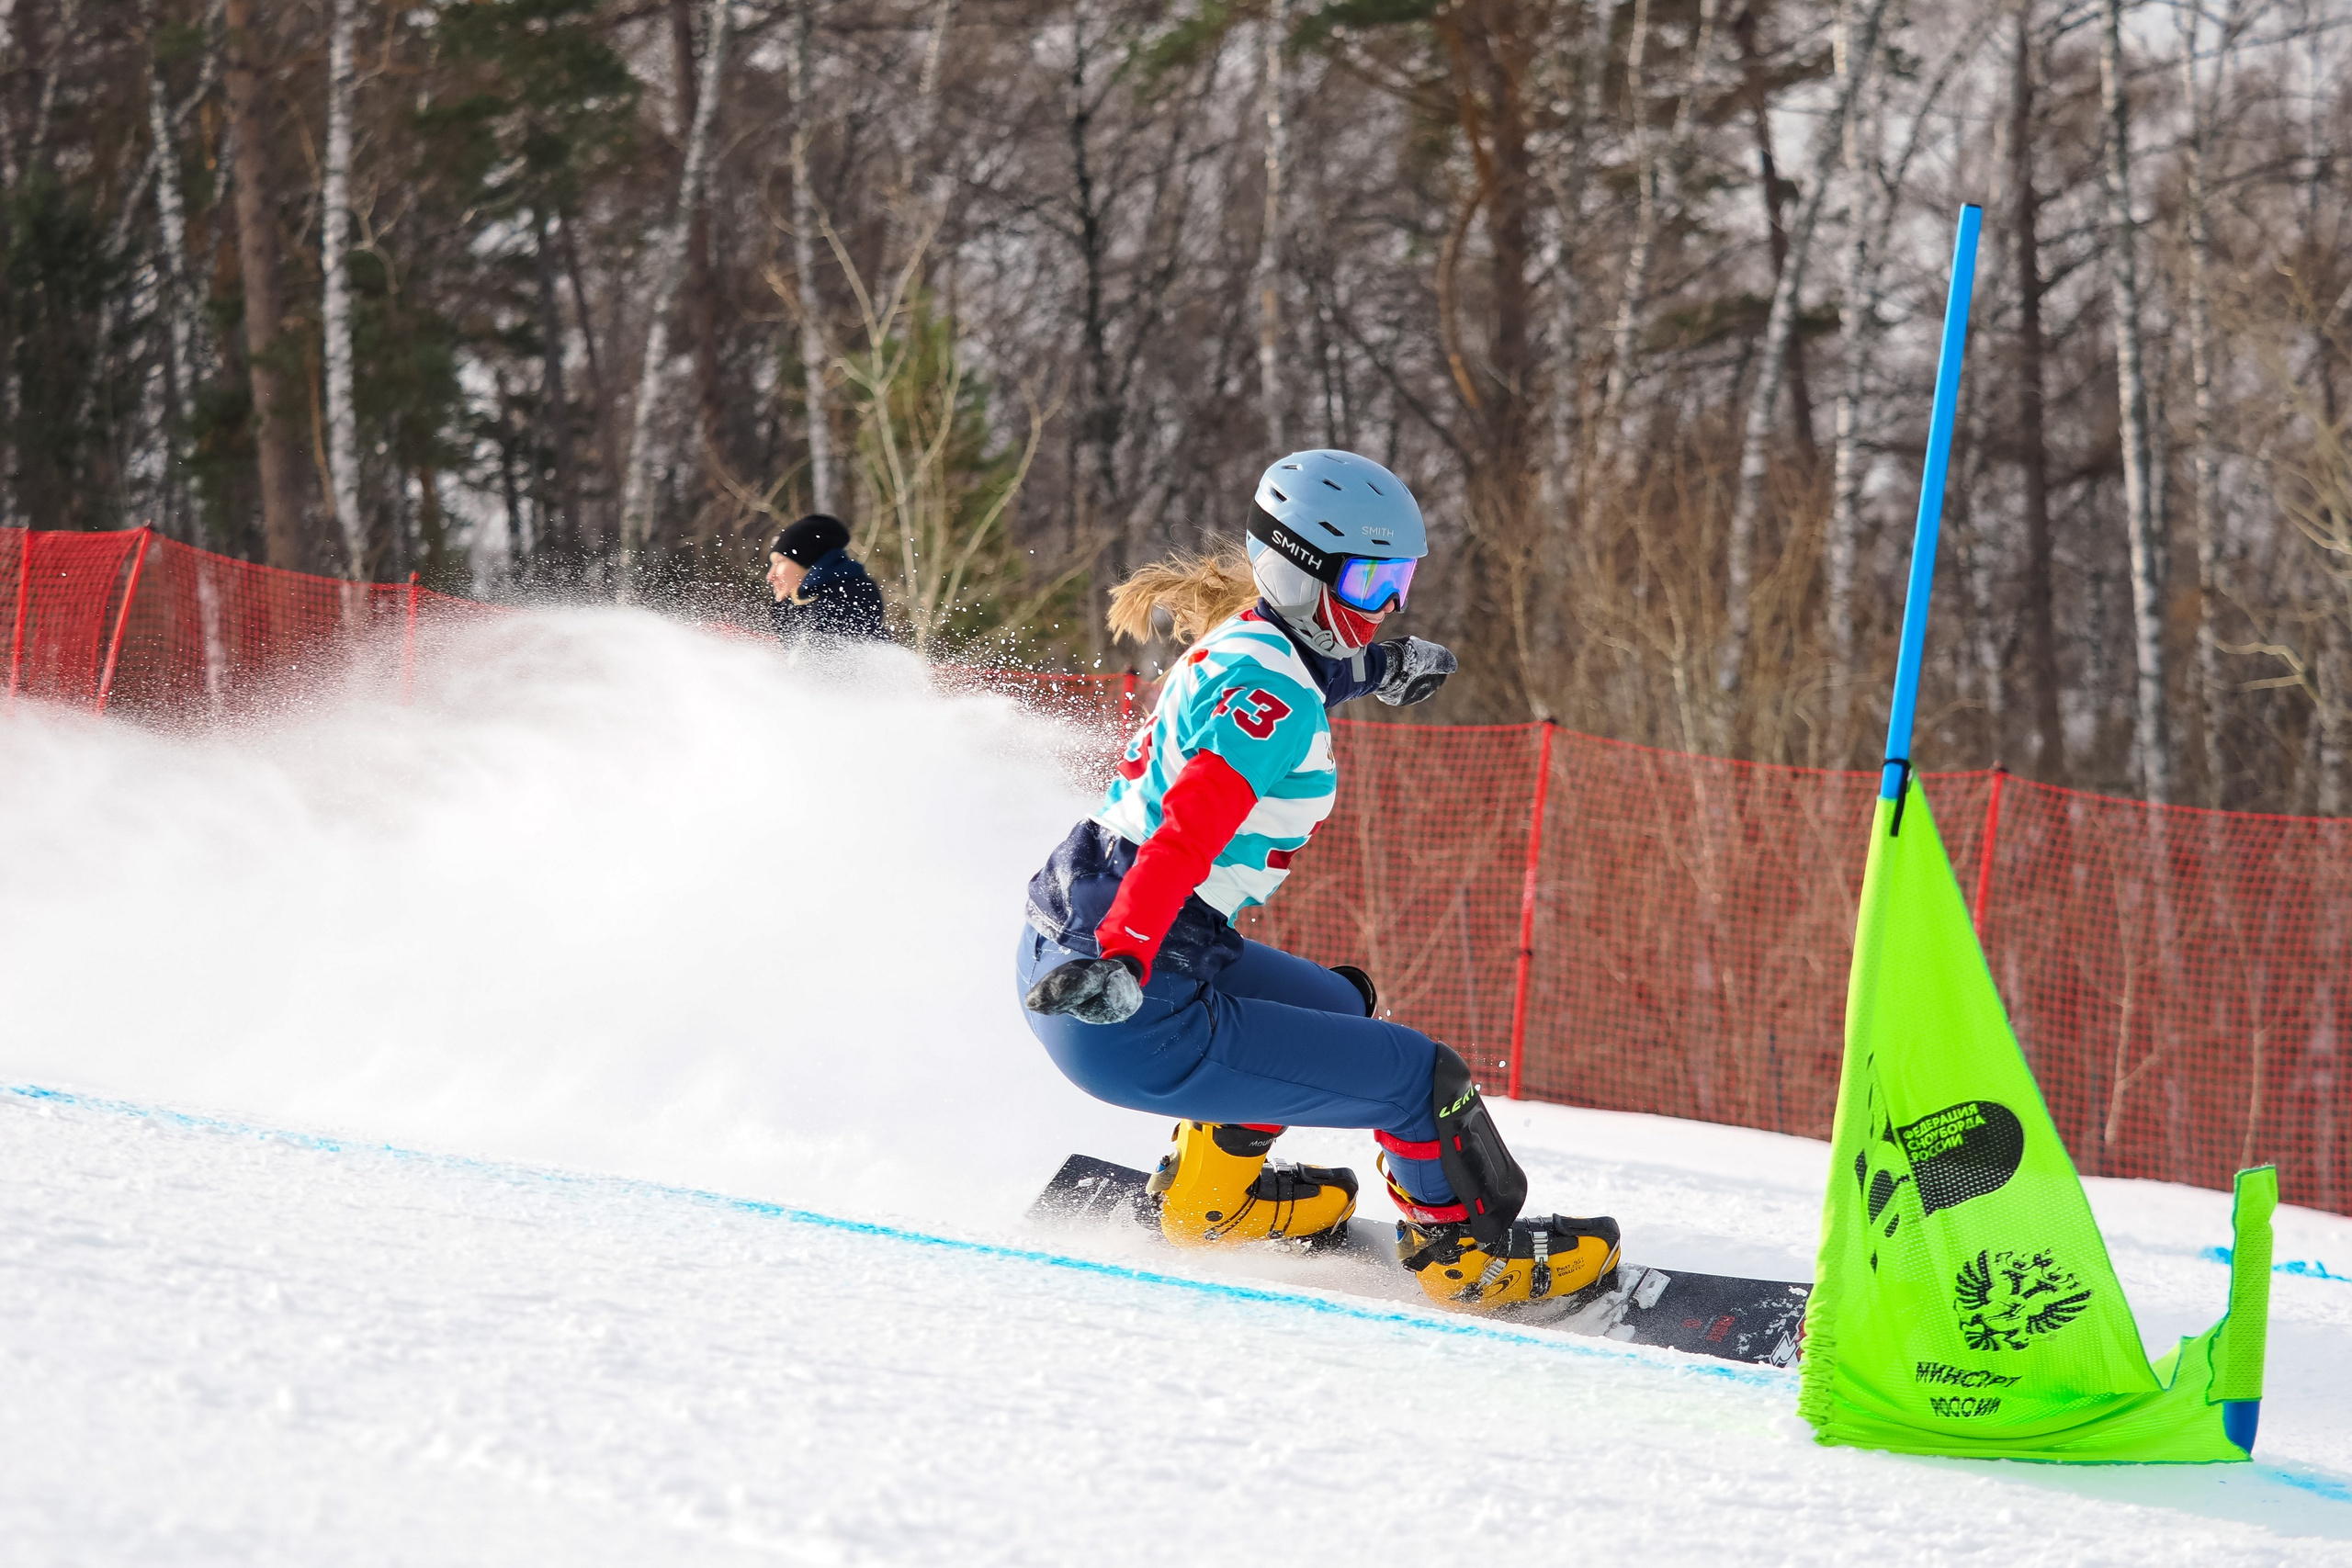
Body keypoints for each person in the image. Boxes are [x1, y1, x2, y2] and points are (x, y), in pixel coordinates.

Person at [1015, 448, 1619, 1313]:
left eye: (1401, 579)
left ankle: (1205, 1200)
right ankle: (1471, 1262)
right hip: (1128, 987)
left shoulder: (1254, 644)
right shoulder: (1273, 694)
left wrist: (1383, 667)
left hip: (1083, 939)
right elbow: (1189, 830)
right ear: (1301, 572)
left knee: (1337, 1006)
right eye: (1372, 582)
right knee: (1422, 1079)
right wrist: (1125, 954)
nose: (1390, 604)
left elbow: (1309, 677)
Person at [767, 513, 888, 645]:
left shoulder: (835, 612)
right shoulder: (802, 610)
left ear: (807, 563)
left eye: (779, 562)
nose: (770, 576)